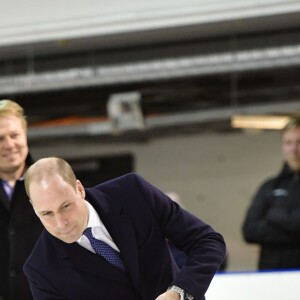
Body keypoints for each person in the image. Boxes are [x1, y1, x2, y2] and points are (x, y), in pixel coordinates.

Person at [23, 157, 226, 300]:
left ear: (79, 189)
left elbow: (208, 242)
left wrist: (179, 292)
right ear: (33, 208)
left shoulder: (133, 193)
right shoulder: (40, 270)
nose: (60, 223)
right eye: (46, 214)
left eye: (65, 206)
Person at [242, 117, 300, 270]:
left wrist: (273, 216)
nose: (294, 149)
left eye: (299, 142)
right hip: (271, 279)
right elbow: (249, 231)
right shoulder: (269, 187)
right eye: (288, 142)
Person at [0, 99, 43, 300]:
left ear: (24, 135)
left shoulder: (52, 184)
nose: (9, 145)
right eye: (0, 138)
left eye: (14, 135)